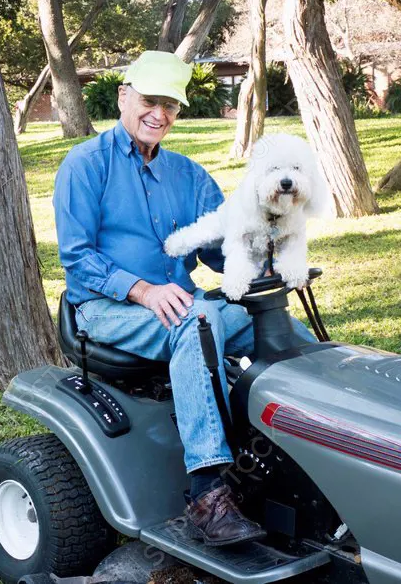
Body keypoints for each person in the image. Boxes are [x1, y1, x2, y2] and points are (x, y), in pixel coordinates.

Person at [52, 50, 316, 547]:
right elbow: (77, 257)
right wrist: (144, 289)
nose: (160, 114)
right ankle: (207, 495)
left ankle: (313, 443)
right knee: (195, 322)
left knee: (279, 328)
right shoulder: (84, 165)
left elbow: (223, 249)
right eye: (150, 101)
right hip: (106, 309)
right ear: (124, 95)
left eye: (170, 105)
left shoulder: (188, 175)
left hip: (183, 302)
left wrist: (272, 255)